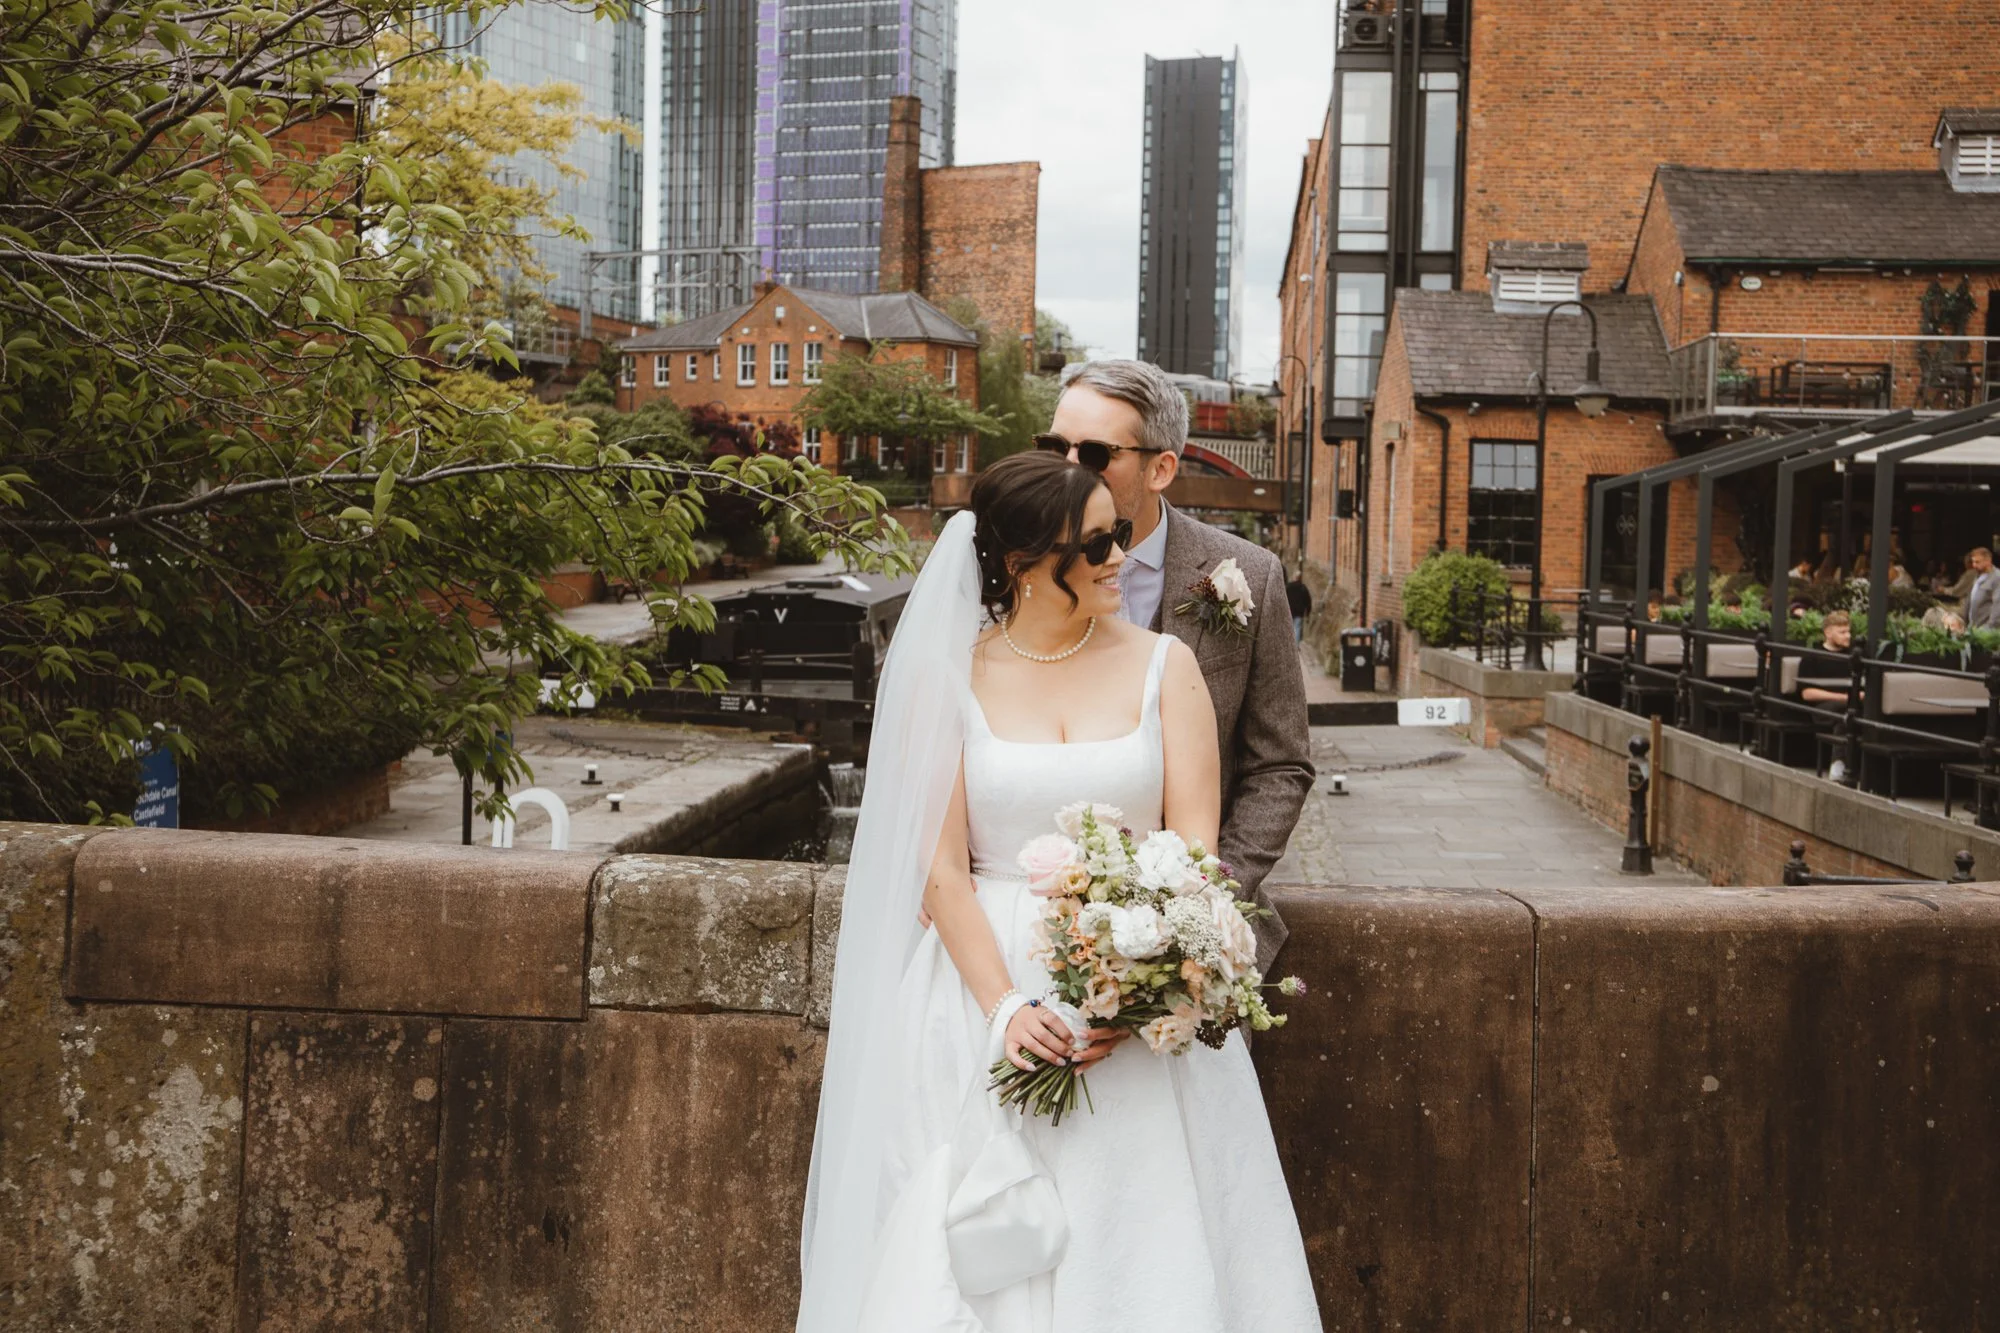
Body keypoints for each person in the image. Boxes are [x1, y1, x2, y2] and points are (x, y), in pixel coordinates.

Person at [795, 451, 1322, 1330]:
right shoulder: (947, 675)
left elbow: (1196, 855)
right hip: (979, 993)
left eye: (1117, 534)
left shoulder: (1168, 668)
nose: (1120, 556)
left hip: (1145, 1008)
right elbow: (942, 867)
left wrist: (1149, 982)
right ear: (1022, 563)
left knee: (1148, 1245)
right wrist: (1003, 1008)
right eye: (1095, 544)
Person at [1037, 358, 1313, 969]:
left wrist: (1205, 899)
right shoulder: (1009, 573)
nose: (1065, 469)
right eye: (1054, 445)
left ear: (1161, 467)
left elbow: (1281, 764)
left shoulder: (1249, 576)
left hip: (1200, 940)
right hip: (1038, 920)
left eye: (1093, 454)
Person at [1969, 547, 1999, 630]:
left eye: (1977, 562)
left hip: (1987, 631)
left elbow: (1998, 606)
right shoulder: (1978, 576)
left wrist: (1989, 628)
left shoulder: (1997, 578)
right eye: (1973, 562)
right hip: (1974, 627)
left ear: (1988, 561)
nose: (1974, 565)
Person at [1286, 571, 1312, 641]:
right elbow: (1308, 601)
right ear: (1300, 578)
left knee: (1288, 628)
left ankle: (1288, 644)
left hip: (1289, 611)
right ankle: (1296, 647)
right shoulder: (1303, 588)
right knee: (1297, 629)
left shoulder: (1288, 586)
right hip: (1299, 613)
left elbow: (1283, 598)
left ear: (1294, 577)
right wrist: (1308, 613)